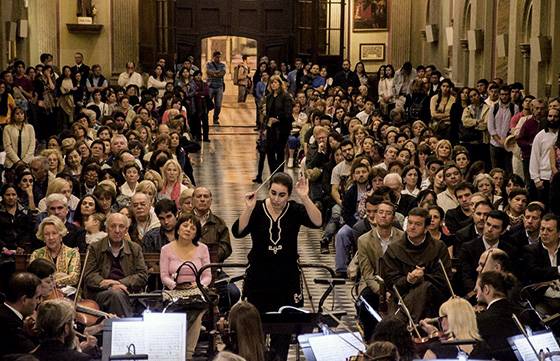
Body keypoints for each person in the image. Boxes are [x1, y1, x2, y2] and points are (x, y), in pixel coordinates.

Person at [232, 172, 321, 360]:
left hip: (286, 280)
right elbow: (238, 231)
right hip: (258, 278)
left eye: (282, 195)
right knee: (255, 330)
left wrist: (304, 196)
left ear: (289, 195)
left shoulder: (295, 210)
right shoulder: (256, 208)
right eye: (273, 193)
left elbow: (317, 221)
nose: (276, 199)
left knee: (283, 333)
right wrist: (247, 208)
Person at [381, 207, 452, 320]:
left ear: (426, 228)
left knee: (425, 287)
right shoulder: (394, 249)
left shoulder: (439, 247)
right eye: (410, 223)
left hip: (434, 298)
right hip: (403, 295)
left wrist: (423, 277)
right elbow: (390, 281)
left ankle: (409, 323)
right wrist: (408, 280)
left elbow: (445, 278)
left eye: (418, 224)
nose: (412, 227)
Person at [159, 213, 211, 360]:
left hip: (196, 289)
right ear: (178, 228)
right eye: (185, 225)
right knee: (176, 307)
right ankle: (173, 350)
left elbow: (207, 276)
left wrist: (200, 284)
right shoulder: (166, 249)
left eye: (193, 228)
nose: (188, 229)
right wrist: (174, 285)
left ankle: (188, 354)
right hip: (175, 290)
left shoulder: (203, 249)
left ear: (196, 233)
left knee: (197, 307)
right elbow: (164, 276)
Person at [83, 213, 148, 317]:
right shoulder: (95, 248)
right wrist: (110, 285)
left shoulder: (135, 248)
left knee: (117, 294)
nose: (117, 230)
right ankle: (126, 327)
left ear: (126, 230)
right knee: (115, 294)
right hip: (101, 293)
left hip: (128, 293)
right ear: (107, 229)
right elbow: (89, 275)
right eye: (113, 226)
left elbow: (142, 275)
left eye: (121, 226)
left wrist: (119, 283)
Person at [356, 200, 404, 341]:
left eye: (388, 213)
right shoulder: (363, 240)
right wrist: (381, 292)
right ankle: (371, 340)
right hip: (375, 284)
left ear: (393, 217)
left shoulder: (402, 237)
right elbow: (367, 273)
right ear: (375, 215)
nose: (384, 216)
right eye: (380, 212)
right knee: (365, 301)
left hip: (398, 282)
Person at [419, 297, 490, 359]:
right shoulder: (486, 348)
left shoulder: (437, 349)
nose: (441, 322)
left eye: (441, 318)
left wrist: (434, 335)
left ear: (450, 319)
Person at [475, 271, 520, 360]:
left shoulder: (483, 319)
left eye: (477, 290)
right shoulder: (521, 311)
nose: (476, 296)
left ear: (486, 289)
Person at [30, 216, 80, 288]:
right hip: (43, 293)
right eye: (47, 234)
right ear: (43, 237)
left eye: (54, 233)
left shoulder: (72, 253)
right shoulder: (36, 254)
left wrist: (47, 281)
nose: (51, 237)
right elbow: (33, 279)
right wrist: (61, 276)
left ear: (61, 235)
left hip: (68, 294)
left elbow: (73, 279)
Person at [0, 272, 42, 356]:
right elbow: (35, 355)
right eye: (37, 297)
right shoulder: (10, 325)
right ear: (24, 299)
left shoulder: (5, 311)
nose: (38, 302)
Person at [264, 75, 292, 174]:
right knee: (269, 151)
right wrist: (265, 127)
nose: (273, 85)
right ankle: (273, 174)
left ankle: (279, 174)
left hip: (282, 128)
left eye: (276, 82)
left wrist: (277, 119)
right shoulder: (269, 97)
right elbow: (267, 113)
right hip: (271, 128)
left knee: (280, 152)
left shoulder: (286, 96)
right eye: (271, 83)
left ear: (280, 84)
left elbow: (288, 113)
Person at [206, 51, 226, 126]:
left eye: (219, 57)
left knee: (218, 105)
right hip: (210, 86)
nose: (218, 58)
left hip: (219, 86)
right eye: (217, 57)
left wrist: (214, 73)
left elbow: (222, 73)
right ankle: (206, 118)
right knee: (207, 103)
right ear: (213, 57)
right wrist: (217, 73)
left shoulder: (222, 65)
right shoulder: (209, 64)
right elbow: (209, 72)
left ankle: (215, 118)